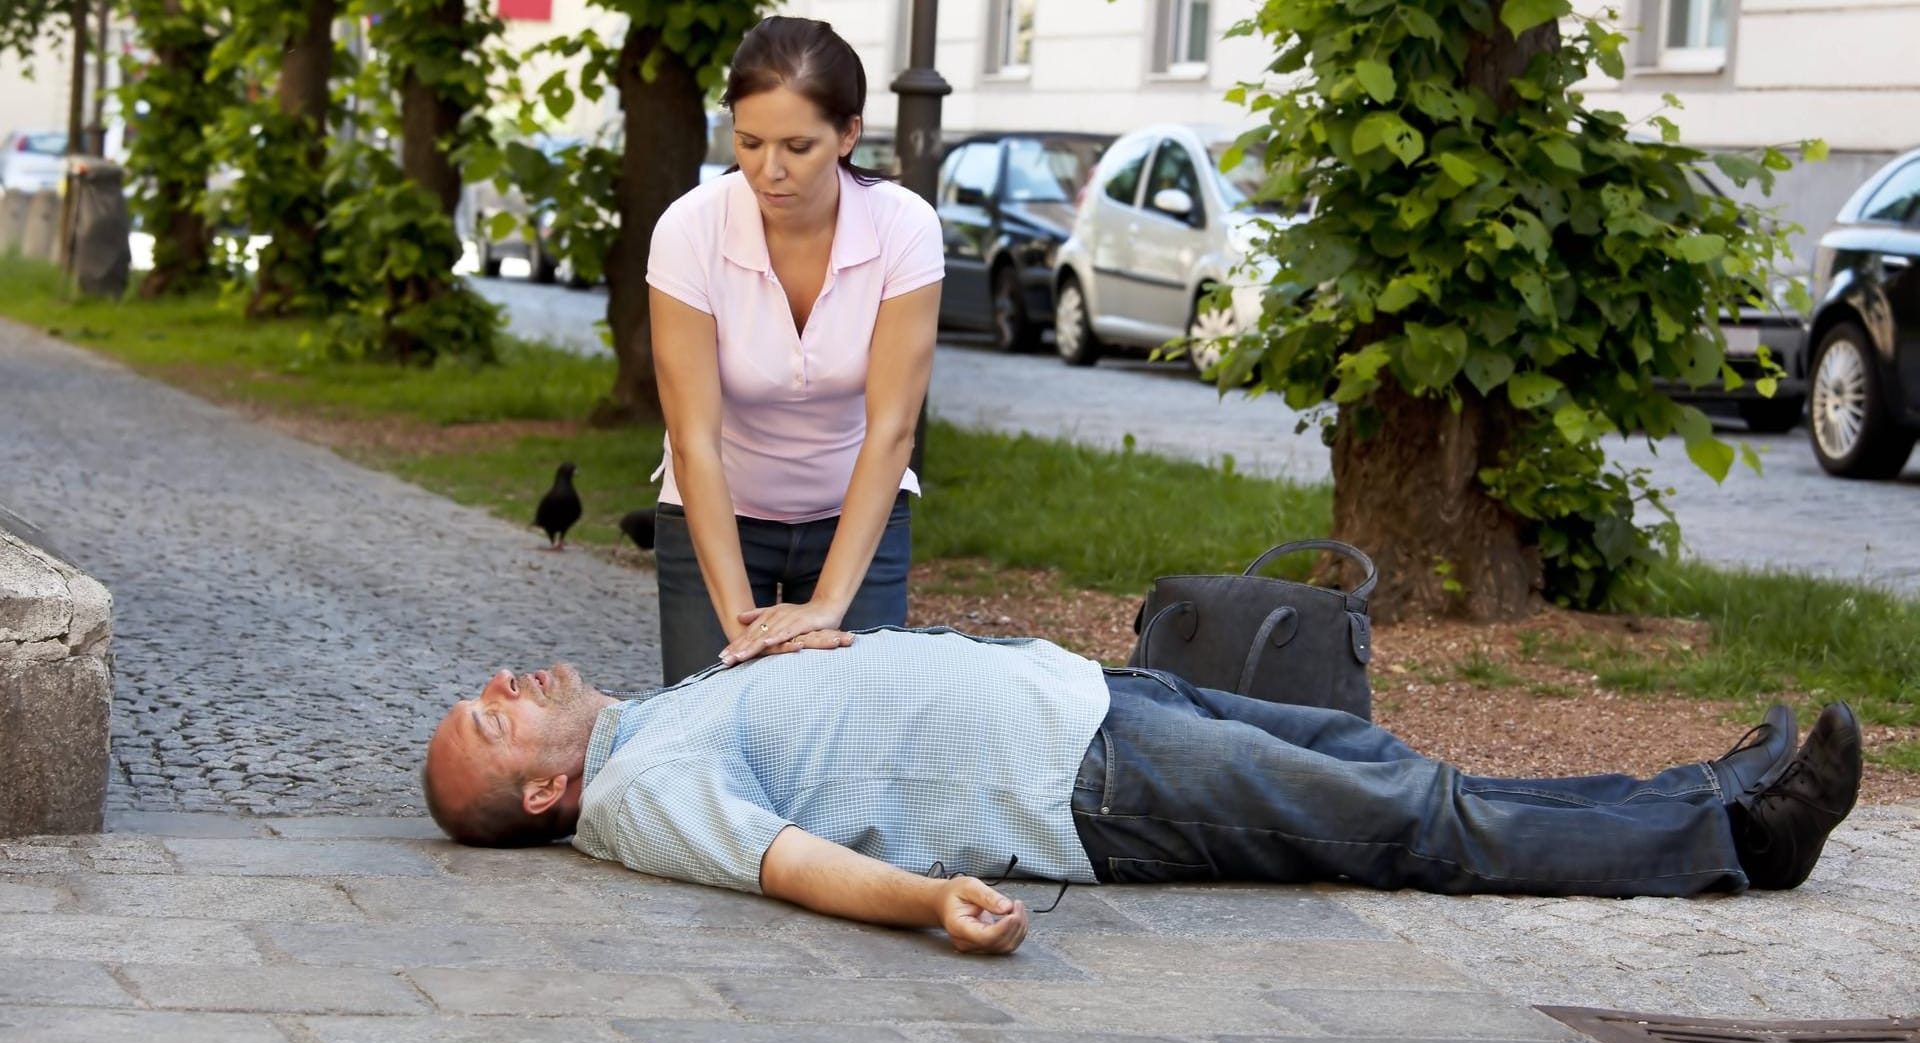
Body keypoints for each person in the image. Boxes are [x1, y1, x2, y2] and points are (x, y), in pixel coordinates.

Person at [420, 627, 1863, 956]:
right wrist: (932, 905)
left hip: (1094, 699)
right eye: (491, 723)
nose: (502, 686)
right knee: (1416, 825)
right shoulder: (644, 793)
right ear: (543, 800)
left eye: (482, 693)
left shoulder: (652, 718)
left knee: (1388, 766)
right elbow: (786, 858)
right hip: (1091, 779)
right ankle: (1739, 836)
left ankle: (1696, 790)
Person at [646, 16, 942, 685]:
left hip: (856, 512)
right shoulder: (689, 230)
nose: (768, 170)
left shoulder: (905, 228)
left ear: (848, 134)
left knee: (857, 729)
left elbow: (894, 429)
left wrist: (828, 603)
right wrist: (741, 628)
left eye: (797, 146)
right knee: (711, 728)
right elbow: (693, 439)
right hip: (720, 512)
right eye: (748, 142)